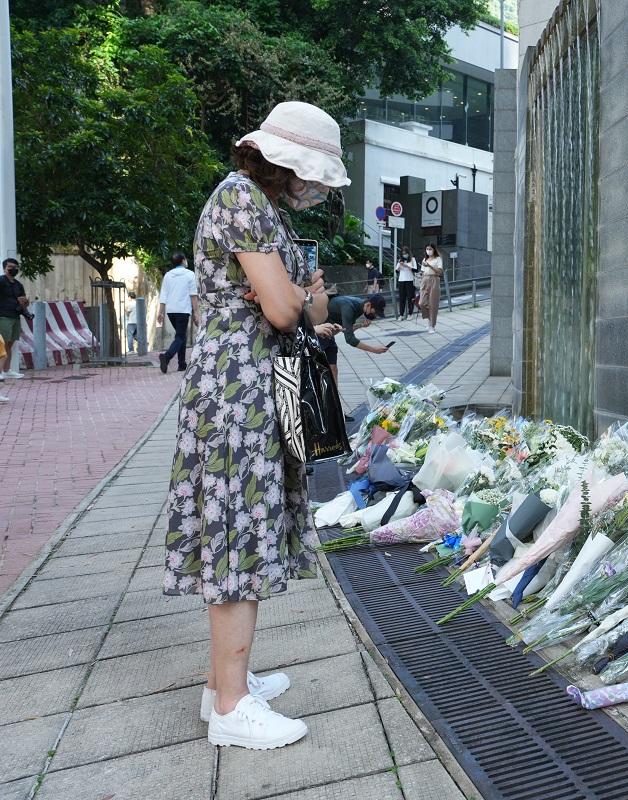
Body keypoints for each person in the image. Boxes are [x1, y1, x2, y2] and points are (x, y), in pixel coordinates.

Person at [164, 100, 345, 751]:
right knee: (239, 538)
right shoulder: (242, 199)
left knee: (243, 530)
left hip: (243, 388)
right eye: (317, 176)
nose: (320, 189)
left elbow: (302, 302)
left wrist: (293, 298)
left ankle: (224, 683)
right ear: (287, 163)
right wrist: (289, 296)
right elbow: (283, 306)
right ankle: (231, 708)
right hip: (235, 393)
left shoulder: (255, 207)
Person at [321, 292, 389, 388]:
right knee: (324, 370)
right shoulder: (349, 307)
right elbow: (349, 339)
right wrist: (374, 350)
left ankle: (334, 398)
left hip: (329, 335)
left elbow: (346, 329)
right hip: (320, 334)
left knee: (333, 369)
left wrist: (360, 325)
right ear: (368, 305)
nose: (374, 316)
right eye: (374, 312)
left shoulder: (359, 306)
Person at [157, 253, 199, 373]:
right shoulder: (190, 274)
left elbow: (163, 295)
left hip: (170, 311)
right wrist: (196, 312)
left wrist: (160, 313)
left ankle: (182, 364)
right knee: (180, 336)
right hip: (183, 310)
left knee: (181, 335)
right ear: (183, 261)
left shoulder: (168, 275)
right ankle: (167, 356)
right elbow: (193, 295)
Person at [0, 258, 29, 380]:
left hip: (15, 315)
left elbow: (22, 300)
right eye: (10, 267)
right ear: (4, 268)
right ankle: (1, 371)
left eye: (16, 267)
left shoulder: (18, 285)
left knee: (10, 344)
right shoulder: (1, 281)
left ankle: (6, 370)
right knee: (2, 345)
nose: (13, 269)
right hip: (3, 316)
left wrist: (25, 304)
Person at [418, 243, 443, 333]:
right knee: (421, 303)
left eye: (430, 249)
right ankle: (428, 319)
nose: (428, 251)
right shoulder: (425, 259)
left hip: (434, 279)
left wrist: (430, 266)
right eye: (427, 249)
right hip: (425, 279)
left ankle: (432, 325)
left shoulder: (438, 259)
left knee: (433, 303)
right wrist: (419, 275)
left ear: (434, 249)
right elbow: (422, 271)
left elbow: (440, 272)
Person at [396, 246, 417, 321]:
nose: (404, 255)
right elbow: (397, 270)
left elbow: (415, 269)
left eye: (405, 253)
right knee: (402, 298)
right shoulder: (400, 260)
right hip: (401, 280)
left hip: (409, 280)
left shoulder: (412, 259)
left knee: (410, 298)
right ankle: (401, 314)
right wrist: (399, 267)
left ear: (408, 253)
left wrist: (406, 266)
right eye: (403, 253)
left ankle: (410, 314)